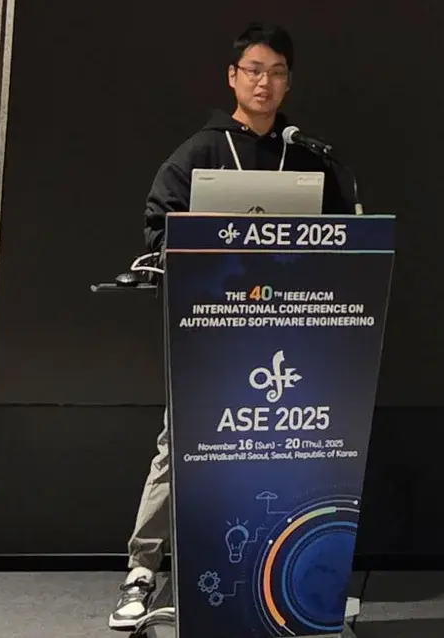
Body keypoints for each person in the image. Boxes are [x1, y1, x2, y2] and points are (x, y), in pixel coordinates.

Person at [112, 22, 353, 632]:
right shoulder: (200, 152)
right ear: (233, 78)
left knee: (279, 448)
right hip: (209, 329)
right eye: (253, 70)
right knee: (182, 446)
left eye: (275, 72)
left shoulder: (307, 159)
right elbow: (158, 225)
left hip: (286, 332)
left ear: (288, 82)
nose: (264, 82)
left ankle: (275, 577)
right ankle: (142, 572)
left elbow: (337, 239)